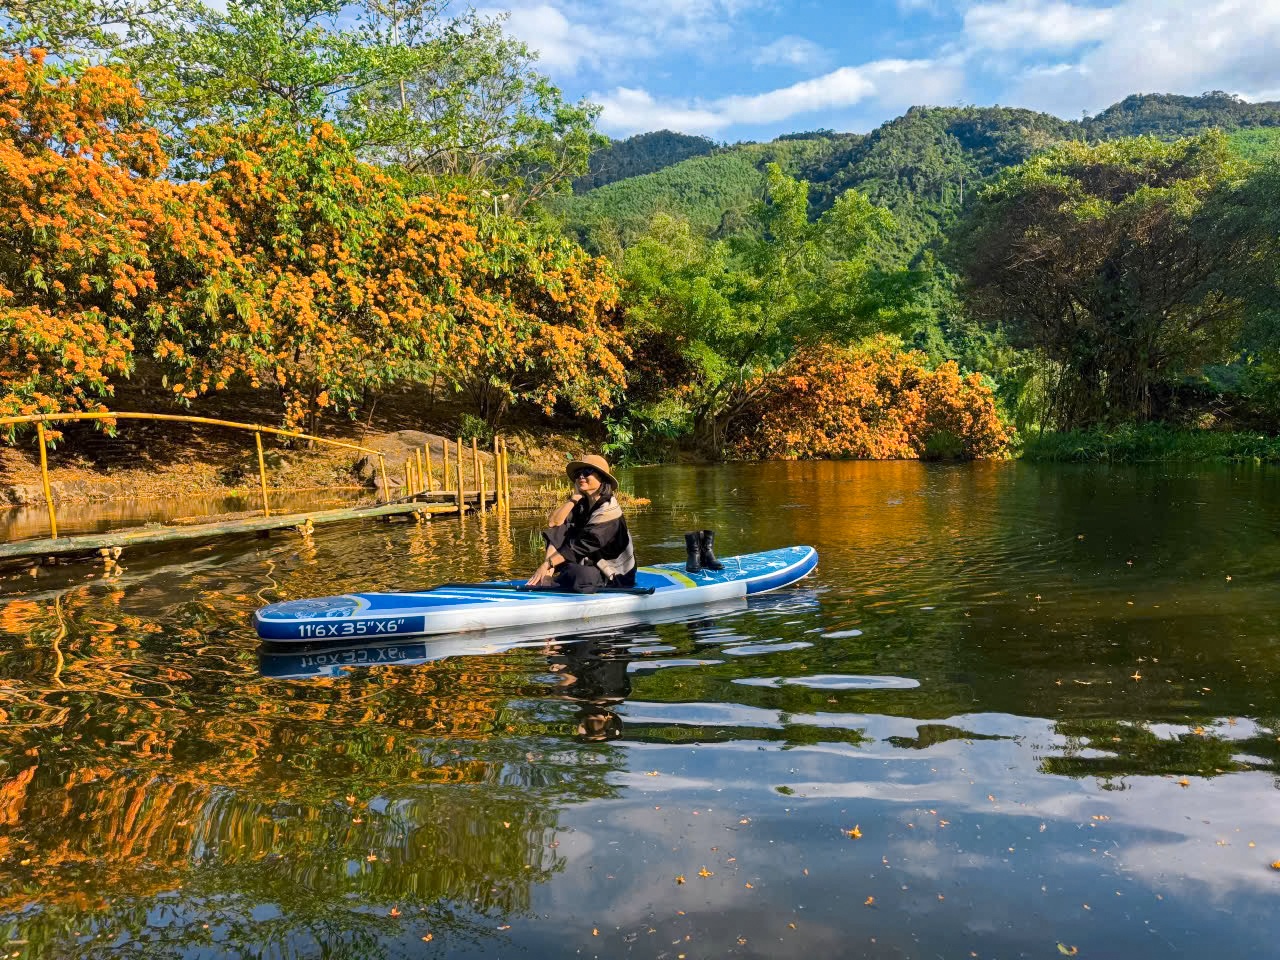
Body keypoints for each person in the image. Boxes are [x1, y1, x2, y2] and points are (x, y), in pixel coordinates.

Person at [527, 454, 636, 593]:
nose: (581, 477)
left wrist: (548, 563)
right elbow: (554, 524)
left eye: (587, 472)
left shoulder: (609, 511)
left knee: (580, 575)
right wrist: (574, 498)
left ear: (601, 478)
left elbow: (581, 547)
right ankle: (548, 577)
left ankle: (562, 578)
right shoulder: (583, 504)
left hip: (614, 574)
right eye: (578, 473)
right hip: (589, 561)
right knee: (561, 528)